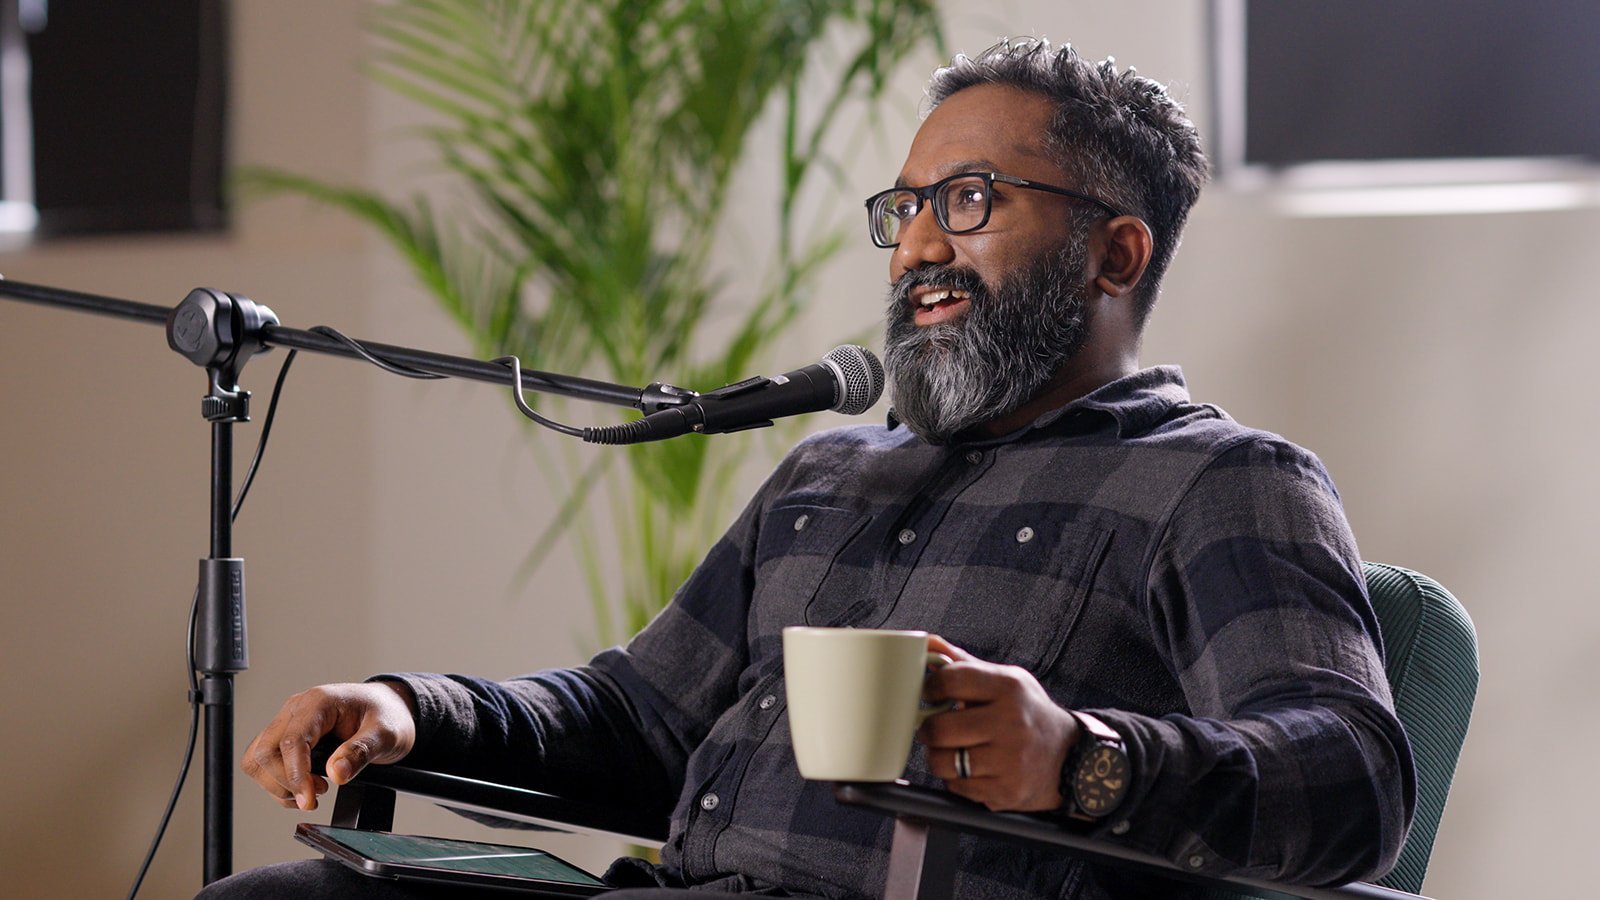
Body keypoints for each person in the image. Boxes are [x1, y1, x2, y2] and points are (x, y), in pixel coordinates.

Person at [203, 38, 1414, 899]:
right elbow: (636, 716)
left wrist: (1079, 757)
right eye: (907, 206)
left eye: (970, 200)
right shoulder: (830, 473)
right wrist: (414, 710)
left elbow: (1353, 779)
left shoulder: (1220, 480)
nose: (918, 245)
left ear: (1116, 254)